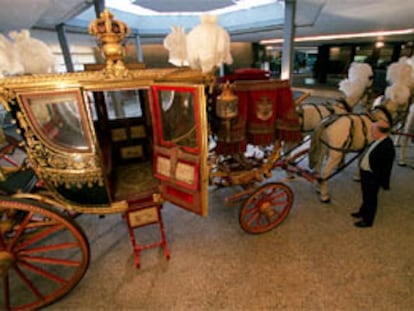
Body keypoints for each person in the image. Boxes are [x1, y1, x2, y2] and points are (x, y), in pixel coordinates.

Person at [351, 119, 395, 228]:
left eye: (373, 129)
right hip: (366, 174)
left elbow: (385, 168)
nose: (371, 131)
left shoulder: (387, 147)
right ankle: (362, 212)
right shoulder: (377, 140)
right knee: (366, 196)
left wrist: (377, 180)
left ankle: (368, 220)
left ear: (379, 131)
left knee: (371, 199)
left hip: (372, 178)